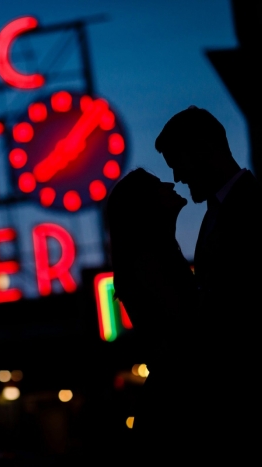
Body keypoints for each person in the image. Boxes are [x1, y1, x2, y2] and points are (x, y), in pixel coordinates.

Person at [155, 106, 262, 459]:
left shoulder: (251, 212)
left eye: (178, 160)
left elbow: (245, 314)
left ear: (206, 149)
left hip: (254, 411)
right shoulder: (228, 210)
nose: (176, 174)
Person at [104, 168, 198, 456]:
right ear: (145, 207)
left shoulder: (149, 258)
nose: (169, 183)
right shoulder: (149, 261)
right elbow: (186, 326)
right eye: (157, 184)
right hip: (184, 401)